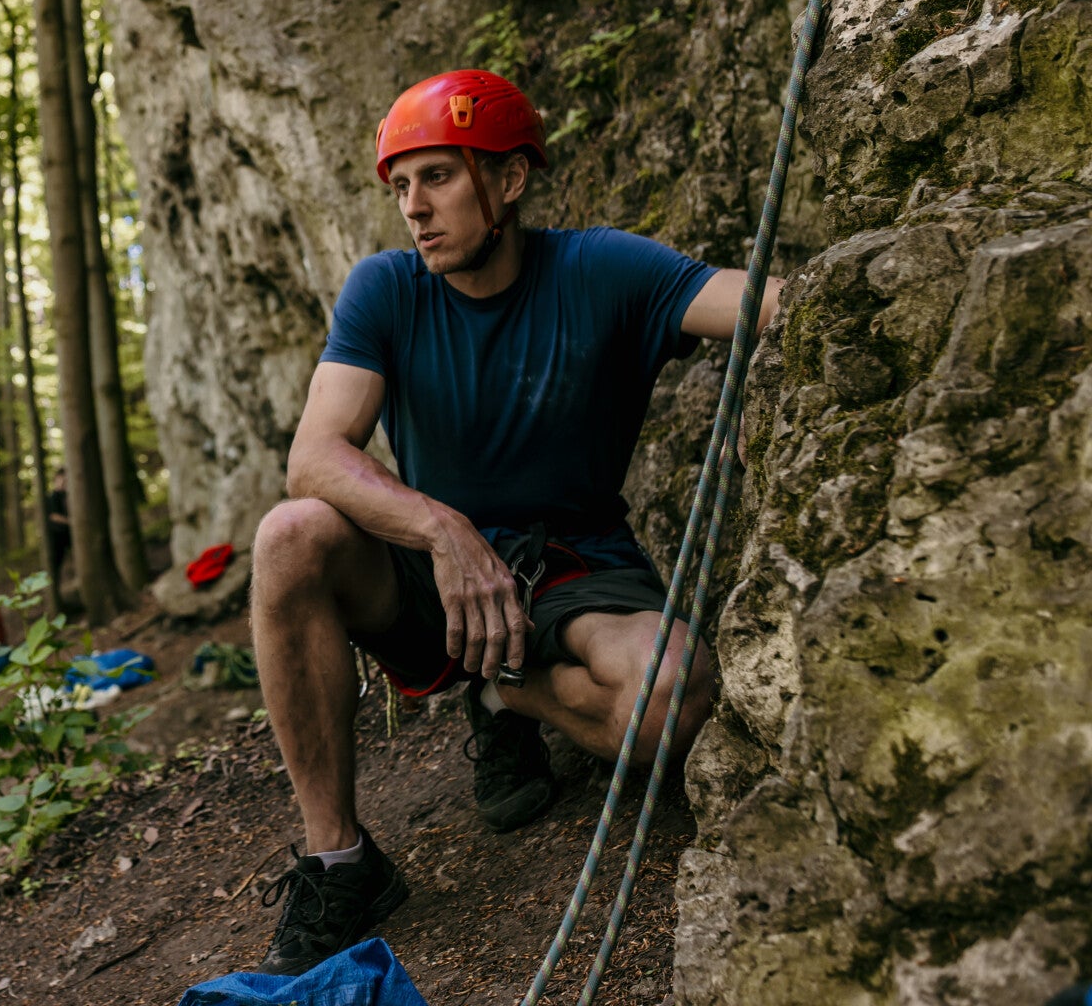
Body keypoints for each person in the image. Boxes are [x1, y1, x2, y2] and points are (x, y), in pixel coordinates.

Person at [247, 69, 782, 975]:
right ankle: (338, 858)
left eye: (438, 177)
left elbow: (773, 297)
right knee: (289, 534)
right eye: (399, 186)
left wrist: (763, 376)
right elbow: (316, 456)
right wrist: (444, 533)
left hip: (574, 560)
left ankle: (506, 695)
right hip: (429, 575)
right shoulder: (386, 289)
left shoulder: (599, 269)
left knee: (674, 692)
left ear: (511, 181)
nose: (413, 208)